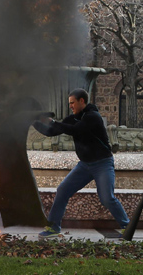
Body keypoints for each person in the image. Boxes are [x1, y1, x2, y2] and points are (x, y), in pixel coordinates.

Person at [32, 88, 129, 239]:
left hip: (102, 164)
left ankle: (126, 226)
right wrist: (34, 121)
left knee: (106, 197)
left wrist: (55, 122)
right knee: (62, 190)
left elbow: (76, 130)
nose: (70, 106)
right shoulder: (74, 117)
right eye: (69, 103)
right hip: (85, 165)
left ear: (81, 101)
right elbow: (51, 131)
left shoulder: (93, 117)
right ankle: (53, 228)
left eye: (72, 103)